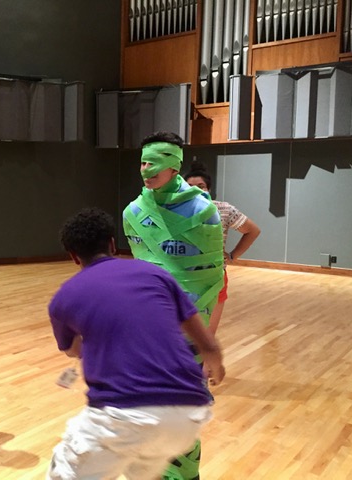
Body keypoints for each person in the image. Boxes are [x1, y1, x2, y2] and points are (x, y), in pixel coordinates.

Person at [47, 207, 224, 480]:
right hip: (186, 415)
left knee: (63, 473)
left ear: (73, 256)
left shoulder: (64, 297)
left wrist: (96, 341)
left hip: (123, 414)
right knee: (141, 471)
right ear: (112, 244)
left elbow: (72, 350)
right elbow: (203, 337)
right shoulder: (156, 275)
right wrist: (215, 361)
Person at [122, 132, 224, 480]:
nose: (145, 169)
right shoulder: (134, 212)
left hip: (188, 326)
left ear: (174, 166)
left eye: (153, 162)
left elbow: (211, 277)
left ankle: (184, 473)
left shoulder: (204, 212)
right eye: (142, 162)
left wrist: (204, 336)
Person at [185, 162, 261, 335]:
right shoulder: (173, 212)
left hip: (214, 276)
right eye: (189, 186)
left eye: (200, 186)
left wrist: (233, 255)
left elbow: (252, 230)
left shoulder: (223, 209)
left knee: (208, 334)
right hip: (183, 276)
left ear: (209, 189)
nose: (195, 190)